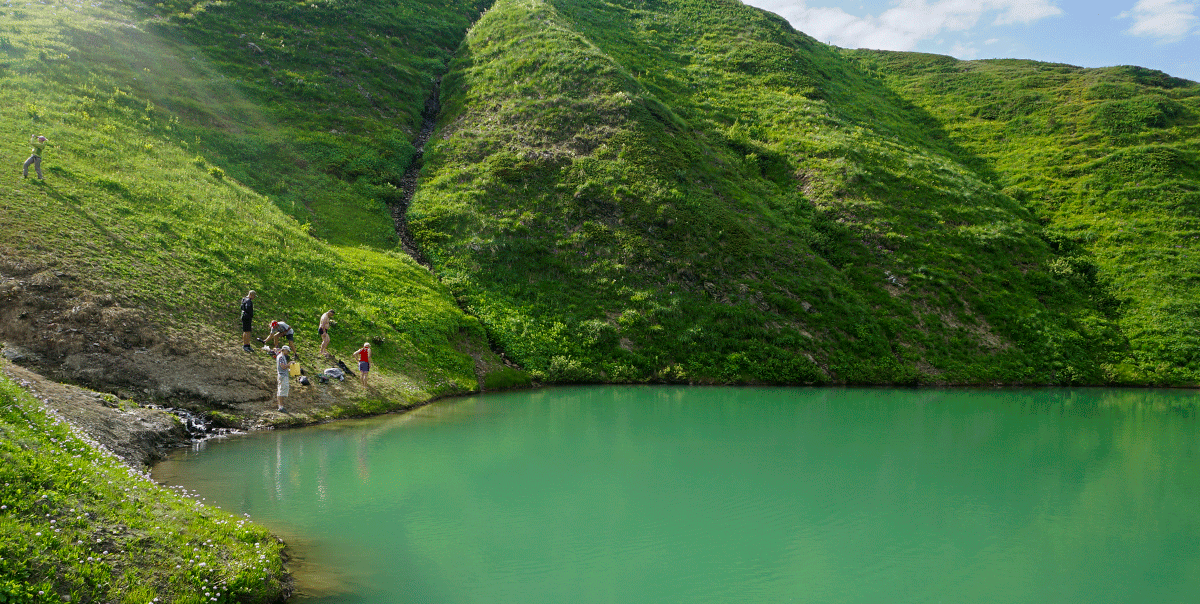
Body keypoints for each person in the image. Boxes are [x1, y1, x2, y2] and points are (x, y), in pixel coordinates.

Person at [274, 345, 291, 412]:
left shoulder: (282, 357)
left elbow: (285, 367)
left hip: (283, 375)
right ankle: (280, 407)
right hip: (282, 376)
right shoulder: (281, 357)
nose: (288, 352)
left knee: (282, 390)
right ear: (284, 350)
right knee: (282, 390)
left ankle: (281, 406)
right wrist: (289, 364)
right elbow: (283, 367)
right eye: (288, 351)